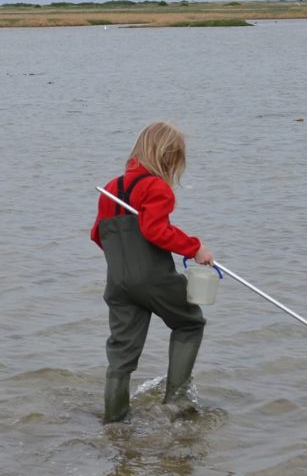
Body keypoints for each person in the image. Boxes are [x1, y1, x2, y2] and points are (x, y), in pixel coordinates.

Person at [91, 121, 214, 423]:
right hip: (152, 278)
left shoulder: (110, 189)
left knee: (121, 355)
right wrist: (194, 248)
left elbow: (97, 235)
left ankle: (115, 422)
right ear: (168, 158)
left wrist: (125, 262)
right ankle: (176, 403)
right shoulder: (156, 188)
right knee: (190, 323)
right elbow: (156, 231)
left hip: (118, 283)